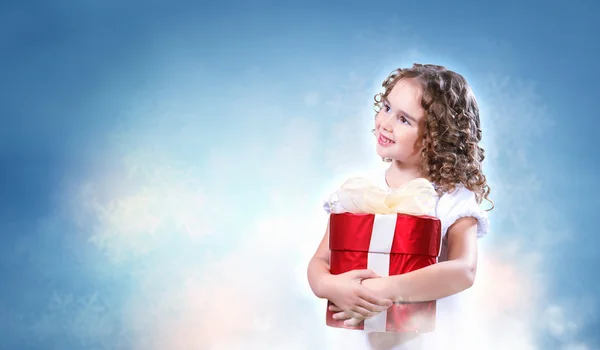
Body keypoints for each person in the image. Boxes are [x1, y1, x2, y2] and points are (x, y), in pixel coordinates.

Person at [307, 63, 493, 349]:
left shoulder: (451, 199)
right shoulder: (358, 192)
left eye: (404, 119)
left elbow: (463, 270)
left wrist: (380, 290)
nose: (385, 122)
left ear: (435, 137)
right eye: (386, 107)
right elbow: (321, 262)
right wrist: (329, 286)